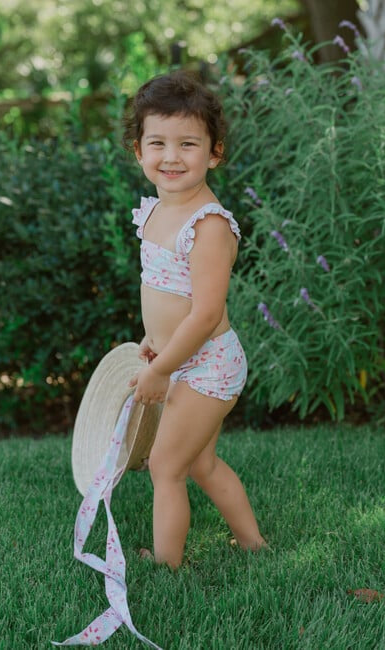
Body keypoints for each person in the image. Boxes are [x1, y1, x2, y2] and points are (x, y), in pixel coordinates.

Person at [123, 71, 267, 568]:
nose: (171, 157)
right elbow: (166, 292)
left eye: (188, 144)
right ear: (138, 151)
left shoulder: (208, 225)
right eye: (157, 143)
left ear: (214, 153)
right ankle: (253, 544)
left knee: (165, 466)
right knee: (201, 463)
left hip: (207, 366)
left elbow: (205, 314)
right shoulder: (157, 211)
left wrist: (162, 371)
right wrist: (154, 340)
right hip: (180, 357)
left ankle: (166, 566)